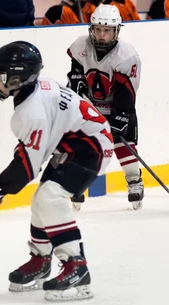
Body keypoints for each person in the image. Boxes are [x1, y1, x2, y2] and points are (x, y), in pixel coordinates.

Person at [0, 41, 113, 301]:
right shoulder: (35, 90)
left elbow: (28, 166)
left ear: (18, 78)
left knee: (50, 197)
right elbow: (34, 148)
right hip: (74, 144)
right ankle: (41, 260)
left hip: (91, 148)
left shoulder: (30, 112)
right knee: (40, 201)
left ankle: (76, 266)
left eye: (1, 76)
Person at [67, 4, 142, 210]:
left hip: (119, 106)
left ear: (116, 31)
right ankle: (79, 183)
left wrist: (118, 120)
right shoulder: (81, 45)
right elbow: (75, 73)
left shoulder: (127, 56)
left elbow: (126, 95)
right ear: (91, 29)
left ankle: (134, 181)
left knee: (123, 143)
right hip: (91, 106)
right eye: (98, 29)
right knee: (84, 143)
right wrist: (77, 83)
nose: (101, 35)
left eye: (107, 30)